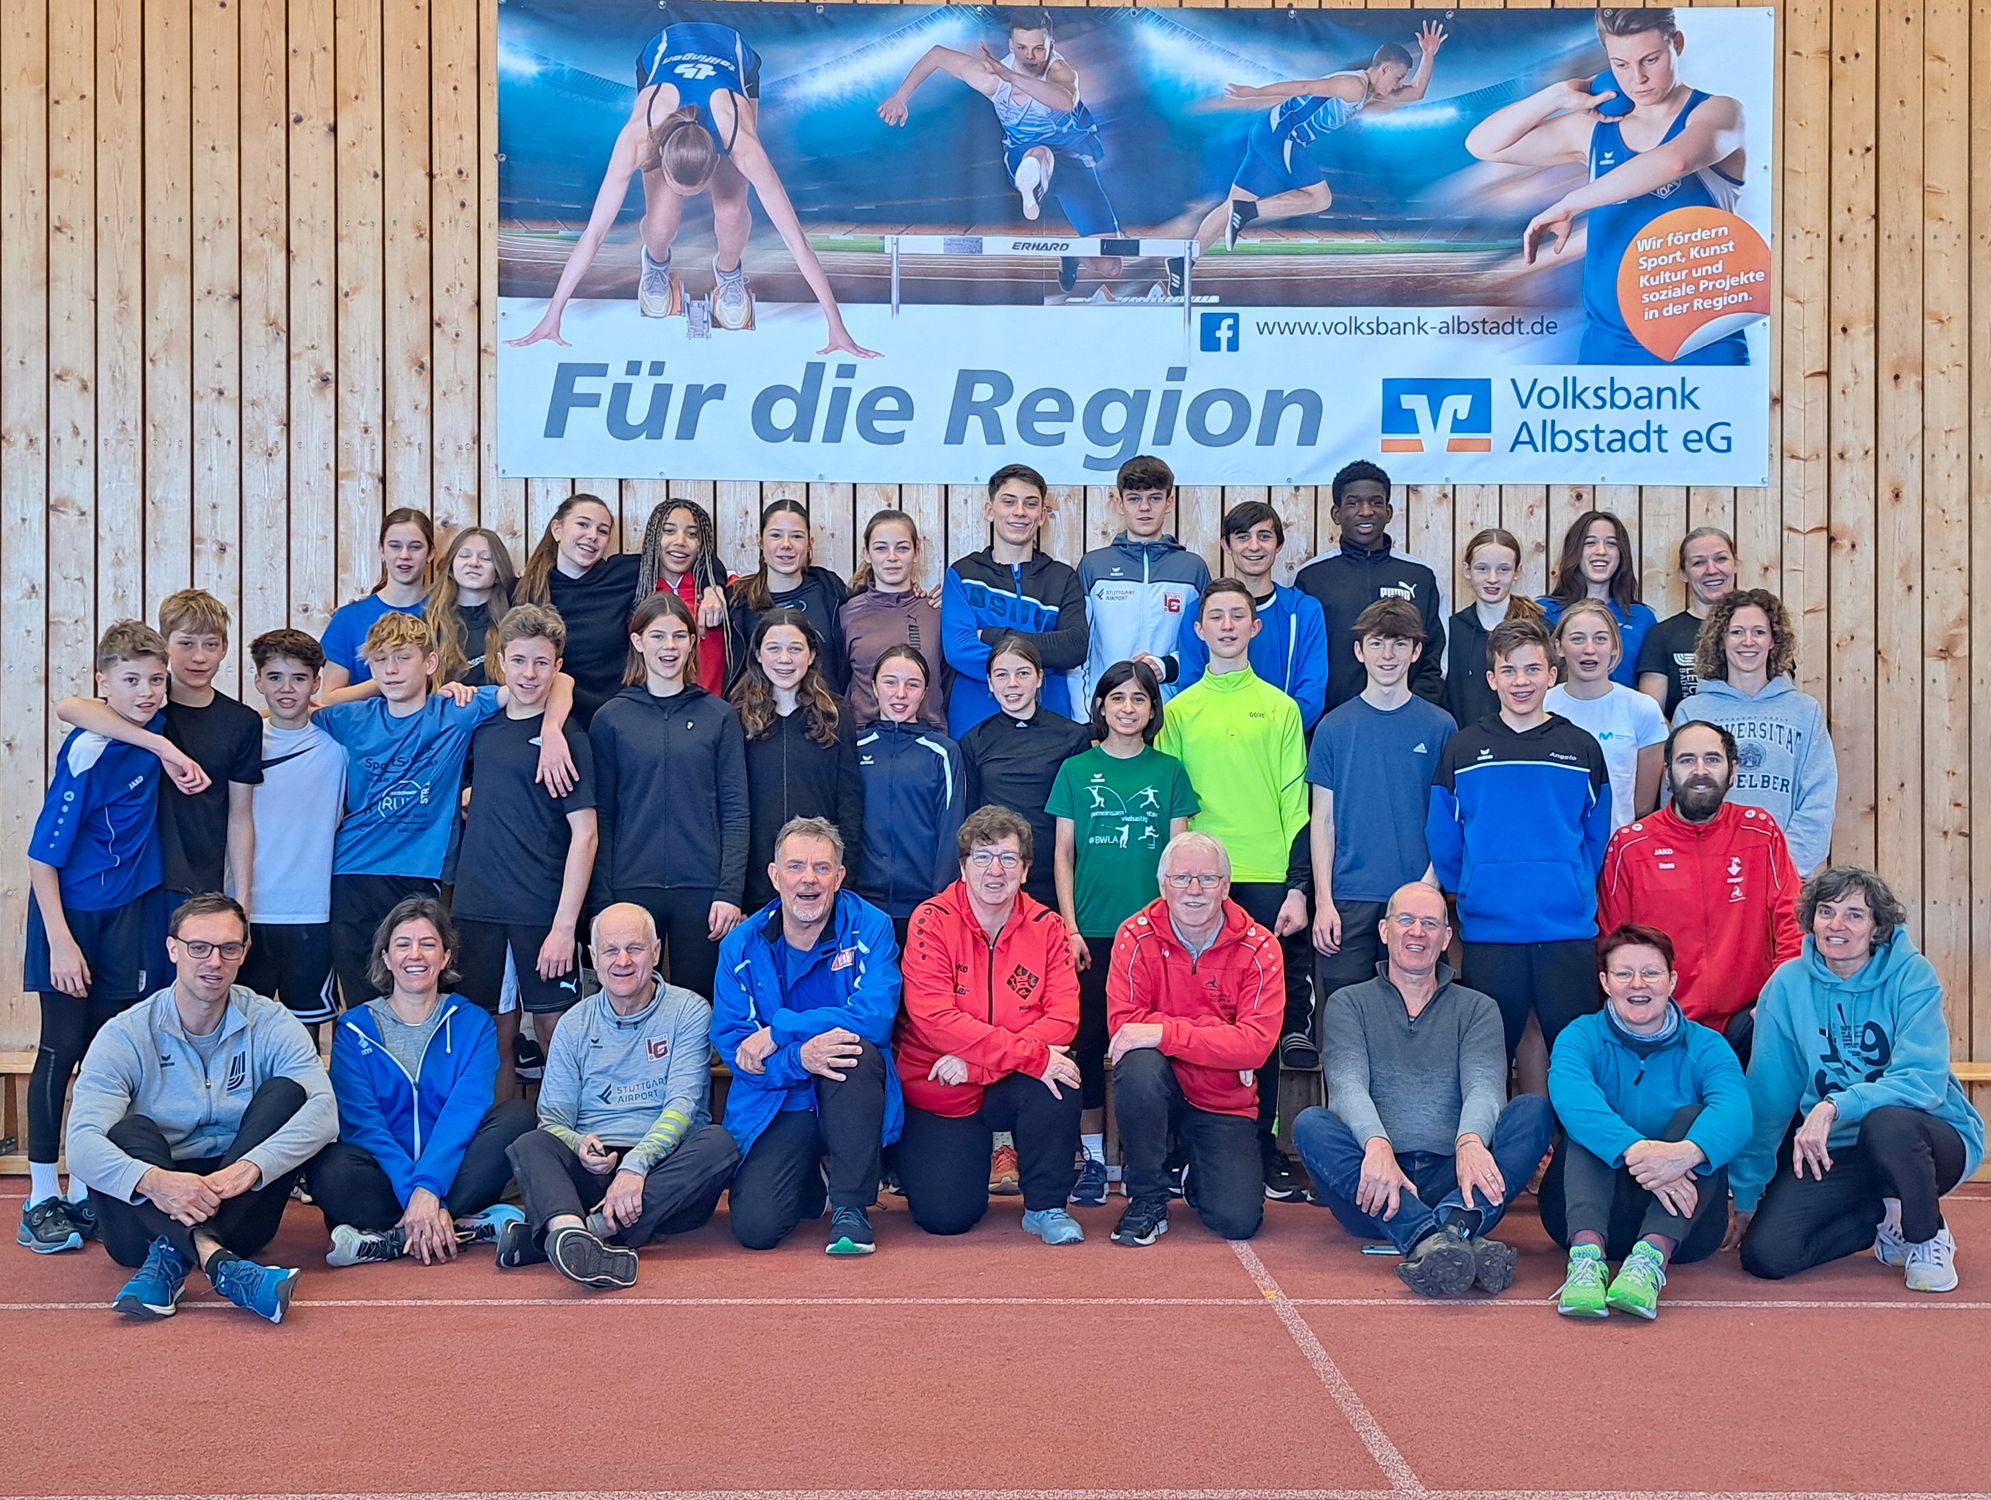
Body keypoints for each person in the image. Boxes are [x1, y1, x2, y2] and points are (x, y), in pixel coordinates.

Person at [506, 18, 876, 358]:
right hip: (664, 49)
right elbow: (594, 233)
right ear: (660, 156)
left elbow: (795, 240)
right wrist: (553, 313)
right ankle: (656, 262)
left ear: (717, 159)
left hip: (735, 59)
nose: (690, 199)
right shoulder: (640, 136)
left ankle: (728, 273)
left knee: (731, 209)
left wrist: (836, 324)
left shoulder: (740, 141)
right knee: (661, 224)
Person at [64, 893, 338, 1322]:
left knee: (288, 1094)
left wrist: (250, 1167)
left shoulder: (271, 1021)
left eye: (228, 948)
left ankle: (171, 1259)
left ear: (244, 952)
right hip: (142, 1220)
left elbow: (324, 1112)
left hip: (239, 1206)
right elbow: (80, 1145)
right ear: (172, 949)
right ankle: (219, 1263)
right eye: (199, 947)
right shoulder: (126, 1034)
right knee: (126, 1131)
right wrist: (157, 1182)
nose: (214, 961)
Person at [1291, 882, 1553, 1297]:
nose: (1417, 932)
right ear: (1384, 930)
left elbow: (1485, 1086)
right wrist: (1377, 1145)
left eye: (1430, 923)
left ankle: (1442, 1234)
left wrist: (1470, 1141)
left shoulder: (1478, 1009)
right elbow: (1347, 1086)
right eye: (1406, 920)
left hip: (1458, 1179)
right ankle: (1445, 1233)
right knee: (1311, 1124)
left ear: (1446, 938)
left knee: (1533, 1112)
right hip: (1374, 1186)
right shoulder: (1348, 1004)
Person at [1732, 867, 1985, 1292]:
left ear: (1876, 927)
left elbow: (1922, 1081)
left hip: (1927, 1139)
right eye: (1826, 912)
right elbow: (1768, 1095)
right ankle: (1883, 1217)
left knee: (1887, 1123)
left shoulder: (1912, 975)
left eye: (1854, 915)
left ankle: (1926, 1236)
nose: (1837, 925)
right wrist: (1746, 1190)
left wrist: (1834, 1105)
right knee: (1767, 1255)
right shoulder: (1787, 985)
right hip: (1839, 1150)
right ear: (1811, 920)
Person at [316, 612, 576, 1009]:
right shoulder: (351, 718)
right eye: (380, 660)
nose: (391, 669)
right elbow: (290, 713)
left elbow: (560, 680)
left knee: (422, 993)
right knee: (361, 997)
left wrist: (552, 729)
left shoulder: (456, 710)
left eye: (403, 658)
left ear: (430, 662)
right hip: (353, 872)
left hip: (421, 874)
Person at [1464, 6, 1750, 365]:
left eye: (1650, 60)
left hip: (1702, 343)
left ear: (1677, 44)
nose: (1637, 79)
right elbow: (1483, 145)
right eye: (1621, 65)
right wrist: (1557, 96)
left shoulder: (1719, 112)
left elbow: (1674, 162)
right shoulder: (1592, 131)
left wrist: (1570, 203)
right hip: (1609, 343)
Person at [19, 622, 179, 1253]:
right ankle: (41, 1196)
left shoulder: (159, 724)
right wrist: (61, 941)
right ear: (103, 682)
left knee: (107, 1059)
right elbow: (41, 858)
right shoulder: (89, 748)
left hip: (131, 916)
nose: (146, 691)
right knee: (60, 1050)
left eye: (155, 680)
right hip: (72, 919)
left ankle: (86, 1189)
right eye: (130, 680)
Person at [1155, 582, 1311, 1197]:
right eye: (1215, 616)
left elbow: (1296, 807)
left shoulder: (1281, 709)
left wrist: (1298, 887)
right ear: (1198, 630)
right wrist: (1176, 883)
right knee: (1187, 1014)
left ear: (1254, 627)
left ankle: (1262, 1143)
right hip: (1197, 882)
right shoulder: (1177, 712)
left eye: (1237, 616)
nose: (1226, 625)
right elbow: (1173, 809)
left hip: (1266, 878)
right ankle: (1183, 1147)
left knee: (1258, 1022)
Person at [499, 902, 741, 1289]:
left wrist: (636, 1167)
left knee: (720, 1143)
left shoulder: (690, 1011)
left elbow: (683, 1106)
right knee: (531, 1143)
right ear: (593, 957)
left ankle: (580, 1234)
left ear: (656, 951)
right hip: (595, 1167)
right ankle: (574, 1232)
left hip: (663, 1172)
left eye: (635, 948)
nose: (623, 961)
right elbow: (552, 1119)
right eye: (610, 950)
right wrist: (578, 1144)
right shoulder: (573, 1024)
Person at [1425, 616, 1613, 1072]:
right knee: (1484, 1066)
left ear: (1552, 674)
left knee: (1576, 1065)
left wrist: (1567, 886)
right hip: (1491, 935)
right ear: (1492, 679)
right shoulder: (1463, 748)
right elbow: (1444, 835)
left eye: (1532, 669)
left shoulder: (1582, 748)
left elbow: (1595, 836)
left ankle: (1572, 1127)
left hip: (1566, 934)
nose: (1521, 681)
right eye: (1508, 670)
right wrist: (1476, 887)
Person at [711, 818, 903, 1255]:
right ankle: (812, 1183)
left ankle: (850, 1206)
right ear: (775, 876)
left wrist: (783, 1029)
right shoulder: (740, 945)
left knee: (856, 1051)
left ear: (839, 877)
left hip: (848, 1093)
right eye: (795, 867)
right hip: (781, 1100)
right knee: (756, 1229)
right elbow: (737, 1047)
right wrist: (800, 1058)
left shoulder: (871, 926)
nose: (809, 880)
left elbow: (875, 1019)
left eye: (822, 867)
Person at [310, 898, 535, 1267]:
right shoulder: (354, 1029)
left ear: (445, 957)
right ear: (386, 957)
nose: (415, 955)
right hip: (385, 1176)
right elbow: (364, 1125)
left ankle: (388, 1238)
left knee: (519, 1119)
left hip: (454, 1171)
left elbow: (464, 1112)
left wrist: (430, 1185)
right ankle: (461, 1224)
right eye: (403, 944)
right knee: (328, 1167)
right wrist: (415, 1192)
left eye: (428, 944)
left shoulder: (474, 1023)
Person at [1542, 924, 1752, 1319]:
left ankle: (1649, 1261)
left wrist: (1684, 1155)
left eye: (1651, 973)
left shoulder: (1708, 1044)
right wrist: (1640, 1152)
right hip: (1586, 1212)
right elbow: (1572, 1099)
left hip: (1684, 1225)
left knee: (1695, 1120)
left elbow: (1736, 1112)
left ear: (1671, 981)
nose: (1638, 984)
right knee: (1589, 1125)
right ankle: (1585, 1261)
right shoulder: (1580, 1036)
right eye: (1624, 973)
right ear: (1605, 982)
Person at [897, 805, 1084, 1242]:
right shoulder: (930, 920)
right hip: (942, 1083)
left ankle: (1046, 1206)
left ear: (1025, 870)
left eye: (1008, 858)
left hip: (983, 1072)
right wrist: (1024, 1055)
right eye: (982, 857)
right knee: (946, 1218)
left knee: (1059, 1075)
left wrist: (979, 1066)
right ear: (963, 868)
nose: (995, 870)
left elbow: (1062, 1021)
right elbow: (935, 1019)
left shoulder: (1049, 927)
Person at [1047, 660, 1197, 1202]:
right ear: (1101, 707)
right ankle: (1092, 1159)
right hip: (1091, 933)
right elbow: (1063, 855)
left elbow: (1179, 857)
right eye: (1117, 698)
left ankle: (1153, 1159)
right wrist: (1070, 928)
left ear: (1153, 709)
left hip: (1155, 936)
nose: (1128, 708)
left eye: (1139, 699)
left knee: (1157, 1045)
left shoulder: (1170, 772)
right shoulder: (1075, 771)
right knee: (1087, 1043)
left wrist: (1173, 927)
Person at [1163, 24, 1447, 296]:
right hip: (1281, 136)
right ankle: (1248, 211)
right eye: (1398, 77)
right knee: (1320, 199)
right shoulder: (1353, 85)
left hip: (1268, 134)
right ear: (1384, 68)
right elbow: (1304, 86)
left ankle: (1182, 263)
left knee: (1229, 206)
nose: (1399, 84)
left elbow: (1417, 92)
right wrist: (1255, 92)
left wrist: (1429, 55)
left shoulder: (1369, 93)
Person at [450, 605, 599, 1097]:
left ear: (557, 667)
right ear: (500, 662)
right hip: (477, 908)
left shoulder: (568, 738)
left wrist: (564, 928)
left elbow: (585, 835)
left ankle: (564, 1135)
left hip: (541, 911)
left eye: (541, 662)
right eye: (518, 661)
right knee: (490, 1038)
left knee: (557, 1031)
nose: (529, 673)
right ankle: (496, 1138)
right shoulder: (482, 730)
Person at [1105, 832, 1282, 1246]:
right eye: (1182, 878)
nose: (1195, 889)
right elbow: (1126, 1028)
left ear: (1226, 886)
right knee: (1138, 1065)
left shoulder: (1261, 947)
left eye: (1207, 878)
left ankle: (1193, 1172)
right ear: (1163, 885)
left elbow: (1256, 1044)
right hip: (1161, 1084)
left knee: (1237, 1221)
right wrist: (1218, 1039)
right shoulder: (1133, 935)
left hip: (1222, 1098)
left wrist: (1164, 1031)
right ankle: (1146, 1197)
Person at [55, 588, 262, 930]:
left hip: (200, 877)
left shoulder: (242, 722)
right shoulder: (143, 704)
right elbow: (68, 708)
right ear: (165, 646)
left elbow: (240, 816)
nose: (199, 657)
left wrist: (243, 899)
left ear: (224, 648)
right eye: (186, 644)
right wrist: (162, 746)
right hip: (135, 878)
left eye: (210, 644)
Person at [878, 7, 1123, 295]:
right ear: (1011, 45)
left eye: (1038, 49)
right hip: (1025, 157)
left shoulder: (1061, 72)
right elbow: (937, 55)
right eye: (1022, 48)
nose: (1030, 56)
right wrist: (901, 96)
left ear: (1051, 45)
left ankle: (1071, 253)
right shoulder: (990, 78)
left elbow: (1065, 102)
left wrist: (1012, 76)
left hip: (1073, 164)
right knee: (1040, 152)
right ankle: (1032, 181)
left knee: (1111, 266)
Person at [1307, 600, 1456, 1056]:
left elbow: (1450, 817)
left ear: (1416, 652)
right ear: (1359, 652)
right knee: (1345, 1030)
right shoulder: (1333, 727)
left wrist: (1427, 889)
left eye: (1399, 644)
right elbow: (1323, 820)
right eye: (1376, 644)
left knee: (1418, 1025)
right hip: (1349, 900)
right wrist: (1324, 901)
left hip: (1416, 897)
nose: (1387, 655)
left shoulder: (1440, 727)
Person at [1596, 721, 1801, 1048]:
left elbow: (1792, 921)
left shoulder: (1761, 833)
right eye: (1687, 760)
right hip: (1663, 1021)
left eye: (1712, 759)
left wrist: (1777, 996)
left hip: (1750, 1018)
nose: (1700, 771)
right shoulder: (1631, 846)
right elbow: (1612, 941)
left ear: (1733, 770)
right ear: (1667, 773)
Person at [591, 592, 749, 1002]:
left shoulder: (719, 716)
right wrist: (603, 898)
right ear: (638, 641)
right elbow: (601, 816)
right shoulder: (611, 719)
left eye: (680, 636)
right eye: (658, 636)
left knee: (700, 1005)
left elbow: (735, 810)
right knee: (629, 1002)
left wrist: (729, 892)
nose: (669, 646)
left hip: (702, 890)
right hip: (631, 885)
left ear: (693, 642)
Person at [1673, 587, 1837, 876]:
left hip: (1785, 873)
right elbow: (1677, 797)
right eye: (1737, 632)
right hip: (1709, 871)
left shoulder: (1804, 711)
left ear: (1773, 640)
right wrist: (1700, 864)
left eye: (1759, 632)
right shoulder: (1692, 711)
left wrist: (1784, 864)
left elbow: (1818, 798)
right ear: (1721, 639)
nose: (1748, 641)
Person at [236, 630, 347, 1041]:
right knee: (241, 1032)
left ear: (316, 683)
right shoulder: (241, 741)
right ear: (258, 681)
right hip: (248, 912)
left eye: (299, 678)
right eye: (275, 677)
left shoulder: (337, 748)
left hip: (312, 913)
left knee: (306, 1036)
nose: (287, 688)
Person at [941, 462, 1088, 736]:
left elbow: (1074, 647)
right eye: (1009, 502)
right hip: (976, 723)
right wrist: (1038, 665)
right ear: (990, 510)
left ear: (1042, 516)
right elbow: (959, 649)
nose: (1019, 512)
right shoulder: (963, 574)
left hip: (1049, 724)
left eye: (1030, 504)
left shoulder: (1062, 578)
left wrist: (995, 635)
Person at [731, 613, 865, 913]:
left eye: (795, 648)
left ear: (812, 654)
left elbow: (849, 803)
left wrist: (845, 878)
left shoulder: (836, 716)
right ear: (757, 654)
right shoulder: (735, 717)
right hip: (754, 881)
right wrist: (732, 890)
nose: (785, 659)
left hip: (817, 880)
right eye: (774, 648)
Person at [1293, 461, 1447, 714]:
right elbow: (1302, 657)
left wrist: (1417, 711)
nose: (1365, 511)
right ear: (1336, 514)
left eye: (1375, 502)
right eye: (1353, 503)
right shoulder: (1311, 577)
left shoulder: (1420, 575)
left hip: (1408, 719)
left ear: (1388, 511)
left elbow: (1435, 655)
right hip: (1331, 720)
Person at [960, 635, 1093, 913]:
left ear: (1040, 677)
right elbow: (969, 818)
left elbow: (1082, 819)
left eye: (1022, 673)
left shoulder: (1072, 737)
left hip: (1056, 877)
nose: (1012, 683)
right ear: (990, 682)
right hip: (998, 877)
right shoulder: (974, 741)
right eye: (1001, 675)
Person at [1173, 499, 1327, 731]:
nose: (1254, 546)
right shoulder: (1199, 612)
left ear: (1279, 544)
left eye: (1264, 536)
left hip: (1281, 744)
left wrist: (1266, 736)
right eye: (1243, 537)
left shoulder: (1304, 611)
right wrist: (1230, 736)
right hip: (1215, 741)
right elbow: (1191, 687)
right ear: (1226, 545)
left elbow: (1311, 695)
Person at [1071, 455, 1209, 707]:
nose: (1144, 507)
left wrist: (1166, 666)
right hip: (1108, 713)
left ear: (1169, 502)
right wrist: (1085, 714)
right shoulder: (1093, 566)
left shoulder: (1192, 569)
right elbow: (1081, 649)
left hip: (1174, 711)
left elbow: (1206, 644)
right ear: (1119, 503)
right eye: (1134, 498)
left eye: (1154, 498)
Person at [854, 646, 967, 947]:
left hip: (923, 907)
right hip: (862, 906)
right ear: (874, 687)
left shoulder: (943, 752)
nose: (900, 694)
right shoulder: (853, 748)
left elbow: (952, 830)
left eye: (912, 684)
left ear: (925, 692)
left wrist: (940, 904)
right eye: (890, 682)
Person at [517, 493, 643, 727]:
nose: (593, 535)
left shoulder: (624, 574)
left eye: (602, 531)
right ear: (557, 530)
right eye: (583, 524)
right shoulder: (526, 591)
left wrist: (711, 589)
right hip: (548, 718)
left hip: (617, 717)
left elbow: (689, 560)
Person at [1545, 599, 1668, 829]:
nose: (1589, 649)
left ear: (1615, 647)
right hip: (1556, 844)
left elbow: (1642, 806)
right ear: (1559, 647)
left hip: (1617, 844)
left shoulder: (1642, 709)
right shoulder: (1542, 706)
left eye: (1600, 639)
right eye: (1577, 639)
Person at [727, 499, 850, 693]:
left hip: (823, 709)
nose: (786, 544)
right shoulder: (737, 600)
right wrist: (710, 589)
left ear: (810, 543)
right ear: (760, 541)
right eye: (776, 535)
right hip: (757, 710)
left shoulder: (830, 589)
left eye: (796, 536)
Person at [841, 508, 946, 730]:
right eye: (881, 548)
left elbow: (948, 681)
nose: (892, 557)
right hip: (864, 740)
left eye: (902, 548)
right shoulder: (848, 615)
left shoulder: (936, 612)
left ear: (916, 553)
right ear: (866, 554)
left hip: (926, 739)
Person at [1533, 511, 1658, 689]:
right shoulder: (1544, 611)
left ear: (1621, 554)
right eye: (1590, 543)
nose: (1601, 551)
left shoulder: (1641, 618)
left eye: (1611, 543)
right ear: (1575, 551)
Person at [318, 508, 435, 691]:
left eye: (415, 547)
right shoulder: (348, 618)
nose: (404, 555)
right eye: (395, 546)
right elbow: (330, 697)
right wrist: (386, 680)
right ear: (381, 551)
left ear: (430, 553)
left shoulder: (447, 614)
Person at [633, 495, 733, 695]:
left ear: (702, 544)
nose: (680, 541)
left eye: (692, 534)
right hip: (648, 707)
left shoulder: (727, 592)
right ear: (653, 538)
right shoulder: (634, 590)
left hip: (713, 707)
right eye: (669, 531)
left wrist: (714, 587)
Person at [1444, 527, 1542, 730]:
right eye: (1482, 568)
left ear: (1517, 572)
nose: (1492, 578)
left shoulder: (1538, 630)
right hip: (1467, 743)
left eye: (1503, 569)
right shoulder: (1451, 631)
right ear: (1467, 570)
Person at [1637, 526, 1736, 717]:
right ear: (1683, 573)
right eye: (1699, 562)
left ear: (1735, 564)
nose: (1711, 570)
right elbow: (1651, 717)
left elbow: (1785, 699)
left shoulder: (1758, 630)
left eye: (1721, 559)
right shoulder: (1661, 635)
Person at [426, 526, 517, 687]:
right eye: (465, 555)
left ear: (498, 571)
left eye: (486, 558)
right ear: (451, 567)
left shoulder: (516, 624)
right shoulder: (428, 624)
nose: (474, 563)